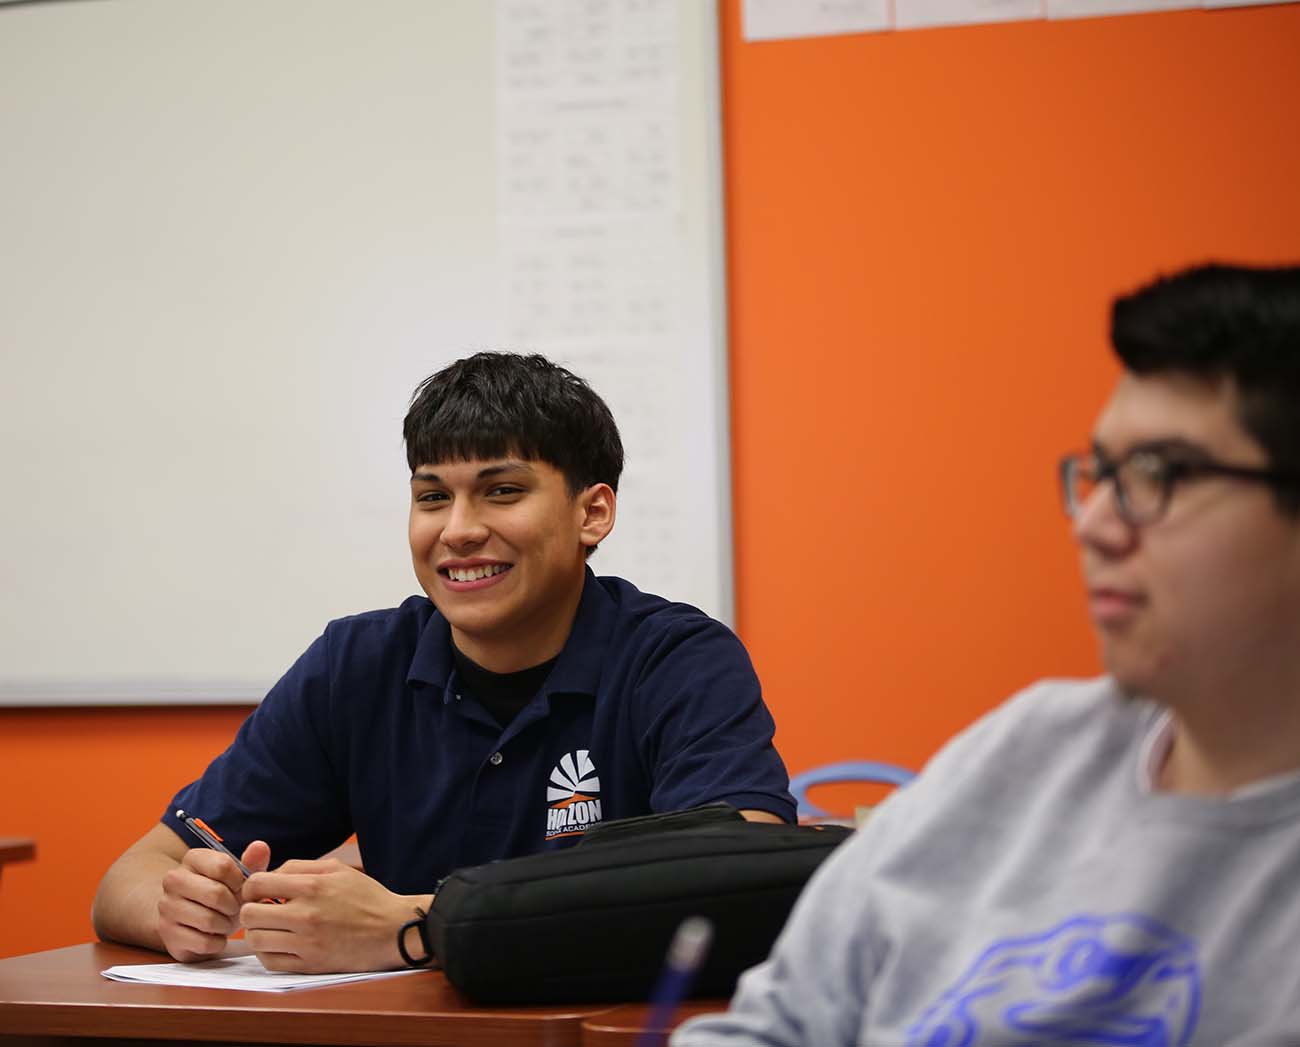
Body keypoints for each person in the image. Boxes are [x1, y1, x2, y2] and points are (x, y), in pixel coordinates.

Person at [673, 263, 1300, 1046]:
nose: (1094, 525)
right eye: (1101, 473)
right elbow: (772, 1024)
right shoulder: (1027, 750)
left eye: (1159, 474)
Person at [92, 351, 793, 974]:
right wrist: (181, 908)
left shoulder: (676, 658)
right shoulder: (356, 664)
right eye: (432, 497)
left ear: (593, 513)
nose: (457, 530)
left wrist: (416, 926)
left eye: (502, 491)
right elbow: (131, 875)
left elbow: (739, 881)